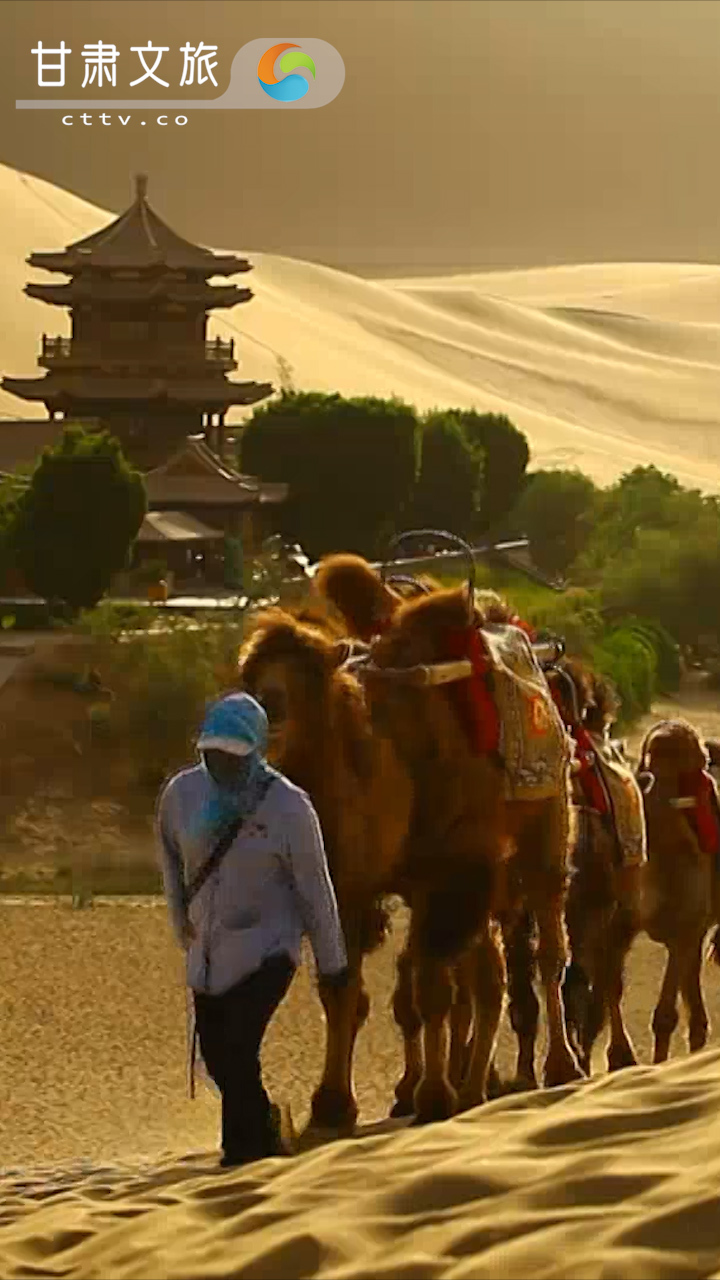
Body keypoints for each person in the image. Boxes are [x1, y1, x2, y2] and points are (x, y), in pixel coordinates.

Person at [156, 691, 349, 1168]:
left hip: (268, 948)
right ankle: (260, 1132)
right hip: (208, 953)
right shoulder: (181, 795)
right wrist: (182, 925)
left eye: (232, 754)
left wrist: (334, 963)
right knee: (221, 1061)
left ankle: (242, 1159)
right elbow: (171, 863)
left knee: (238, 1048)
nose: (221, 762)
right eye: (213, 752)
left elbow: (314, 888)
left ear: (255, 750)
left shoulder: (288, 807)